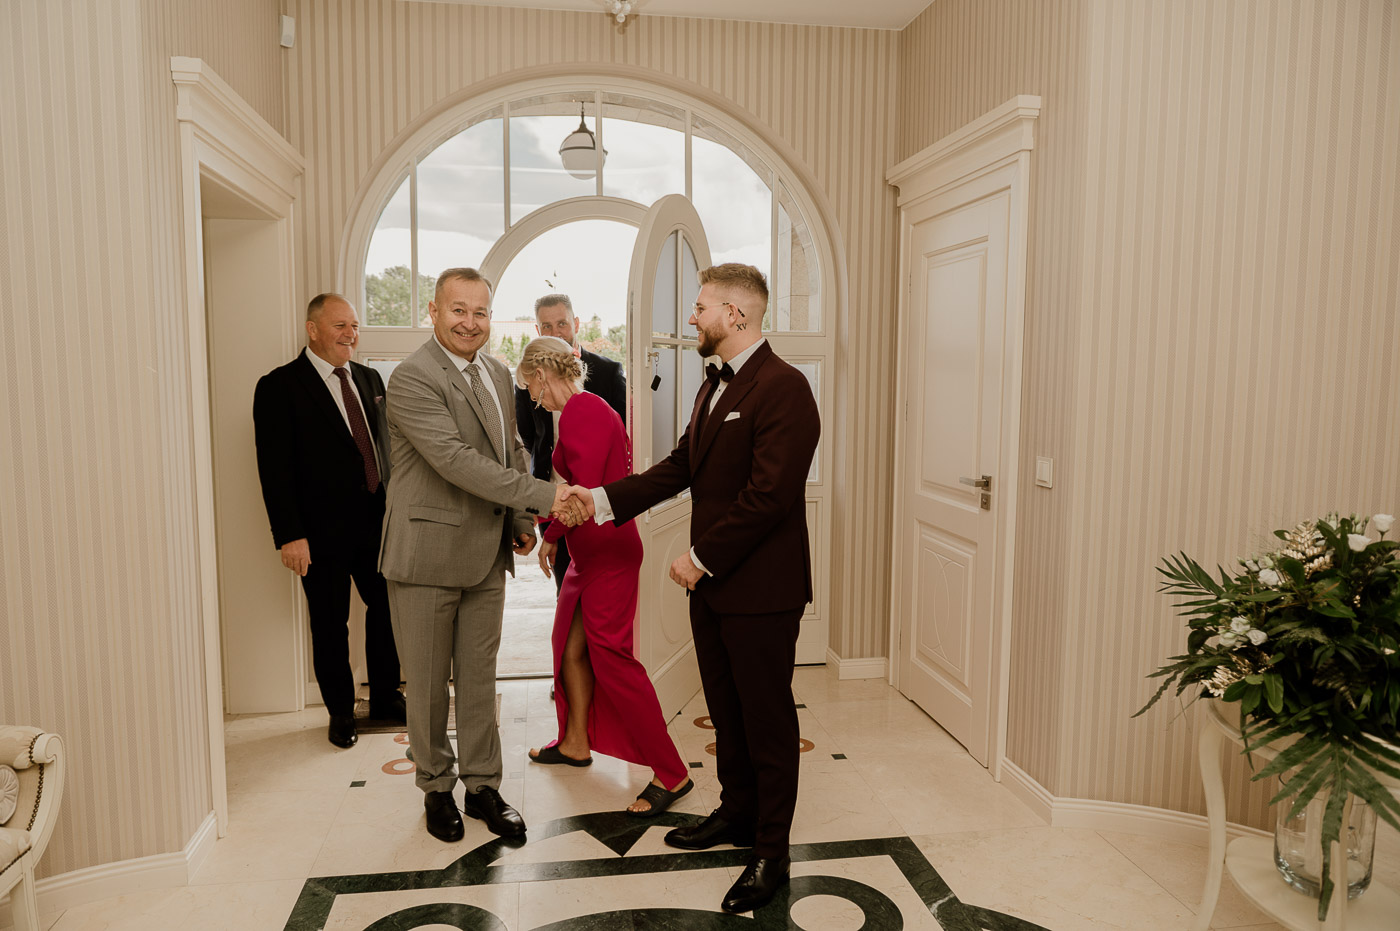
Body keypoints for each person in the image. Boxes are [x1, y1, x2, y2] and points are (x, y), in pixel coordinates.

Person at [564, 264, 819, 914]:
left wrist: (701, 557)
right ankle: (736, 812)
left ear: (736, 314)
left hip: (761, 590)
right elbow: (680, 467)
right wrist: (599, 500)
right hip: (713, 588)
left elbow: (769, 496)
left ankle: (771, 851)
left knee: (766, 720)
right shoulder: (712, 385)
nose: (690, 317)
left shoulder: (785, 388)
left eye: (700, 306)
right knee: (726, 711)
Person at [378, 267, 585, 845]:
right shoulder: (412, 378)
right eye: (458, 310)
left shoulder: (495, 371)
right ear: (433, 311)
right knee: (426, 686)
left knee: (478, 677)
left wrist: (519, 519)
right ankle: (436, 788)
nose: (470, 323)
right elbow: (455, 461)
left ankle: (483, 787)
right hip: (424, 555)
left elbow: (510, 449)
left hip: (485, 554)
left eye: (480, 312)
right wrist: (547, 498)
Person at [514, 337, 692, 817]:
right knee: (569, 648)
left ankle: (672, 773)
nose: (533, 398)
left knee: (614, 662)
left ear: (541, 375)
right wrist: (557, 538)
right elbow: (580, 494)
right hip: (588, 555)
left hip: (608, 555)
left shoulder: (583, 411)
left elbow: (583, 496)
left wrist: (549, 532)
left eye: (530, 387)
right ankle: (575, 742)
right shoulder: (582, 409)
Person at [252, 293, 404, 750]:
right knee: (330, 623)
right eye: (340, 325)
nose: (350, 334)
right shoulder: (280, 386)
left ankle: (385, 697)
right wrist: (290, 536)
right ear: (312, 329)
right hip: (319, 534)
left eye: (354, 326)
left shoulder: (368, 378)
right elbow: (274, 469)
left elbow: (382, 447)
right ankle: (340, 712)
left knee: (388, 610)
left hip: (377, 524)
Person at [514, 294, 626, 592]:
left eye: (561, 324)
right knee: (565, 600)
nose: (555, 333)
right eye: (547, 326)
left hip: (595, 519)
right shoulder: (571, 403)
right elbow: (527, 439)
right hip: (557, 505)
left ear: (576, 323)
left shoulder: (590, 398)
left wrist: (552, 533)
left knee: (589, 613)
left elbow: (590, 481)